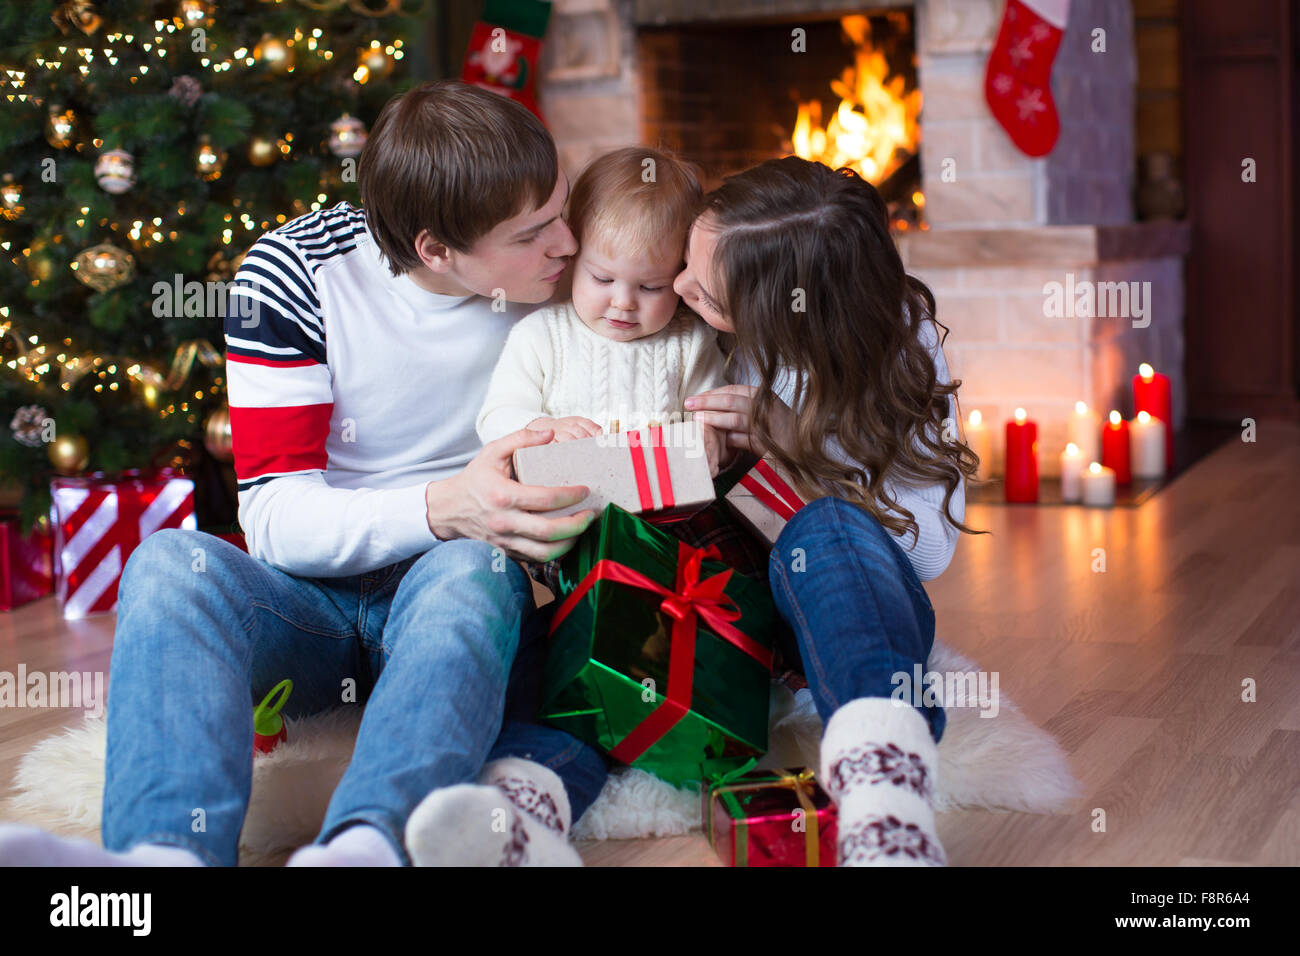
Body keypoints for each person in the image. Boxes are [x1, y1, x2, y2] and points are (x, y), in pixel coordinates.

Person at [0, 80, 610, 869]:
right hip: (309, 602)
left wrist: (583, 464)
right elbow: (277, 519)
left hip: (457, 592)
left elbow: (621, 449)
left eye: (561, 211)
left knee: (469, 567)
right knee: (168, 564)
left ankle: (365, 845)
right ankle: (162, 859)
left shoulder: (572, 290)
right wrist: (445, 503)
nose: (566, 244)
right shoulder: (294, 276)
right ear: (435, 250)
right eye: (533, 234)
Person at [673, 156, 984, 866]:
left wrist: (801, 448)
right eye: (689, 258)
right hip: (726, 599)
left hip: (851, 601)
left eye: (710, 296)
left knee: (828, 527)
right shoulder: (682, 325)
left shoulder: (905, 346)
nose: (679, 285)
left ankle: (885, 807)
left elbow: (930, 555)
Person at [475, 145, 728, 465]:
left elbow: (714, 413)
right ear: (573, 257)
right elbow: (496, 416)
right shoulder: (540, 336)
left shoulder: (690, 342)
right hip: (562, 500)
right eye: (603, 280)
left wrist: (710, 439)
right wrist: (544, 428)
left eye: (651, 287)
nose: (623, 303)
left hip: (663, 503)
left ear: (679, 275)